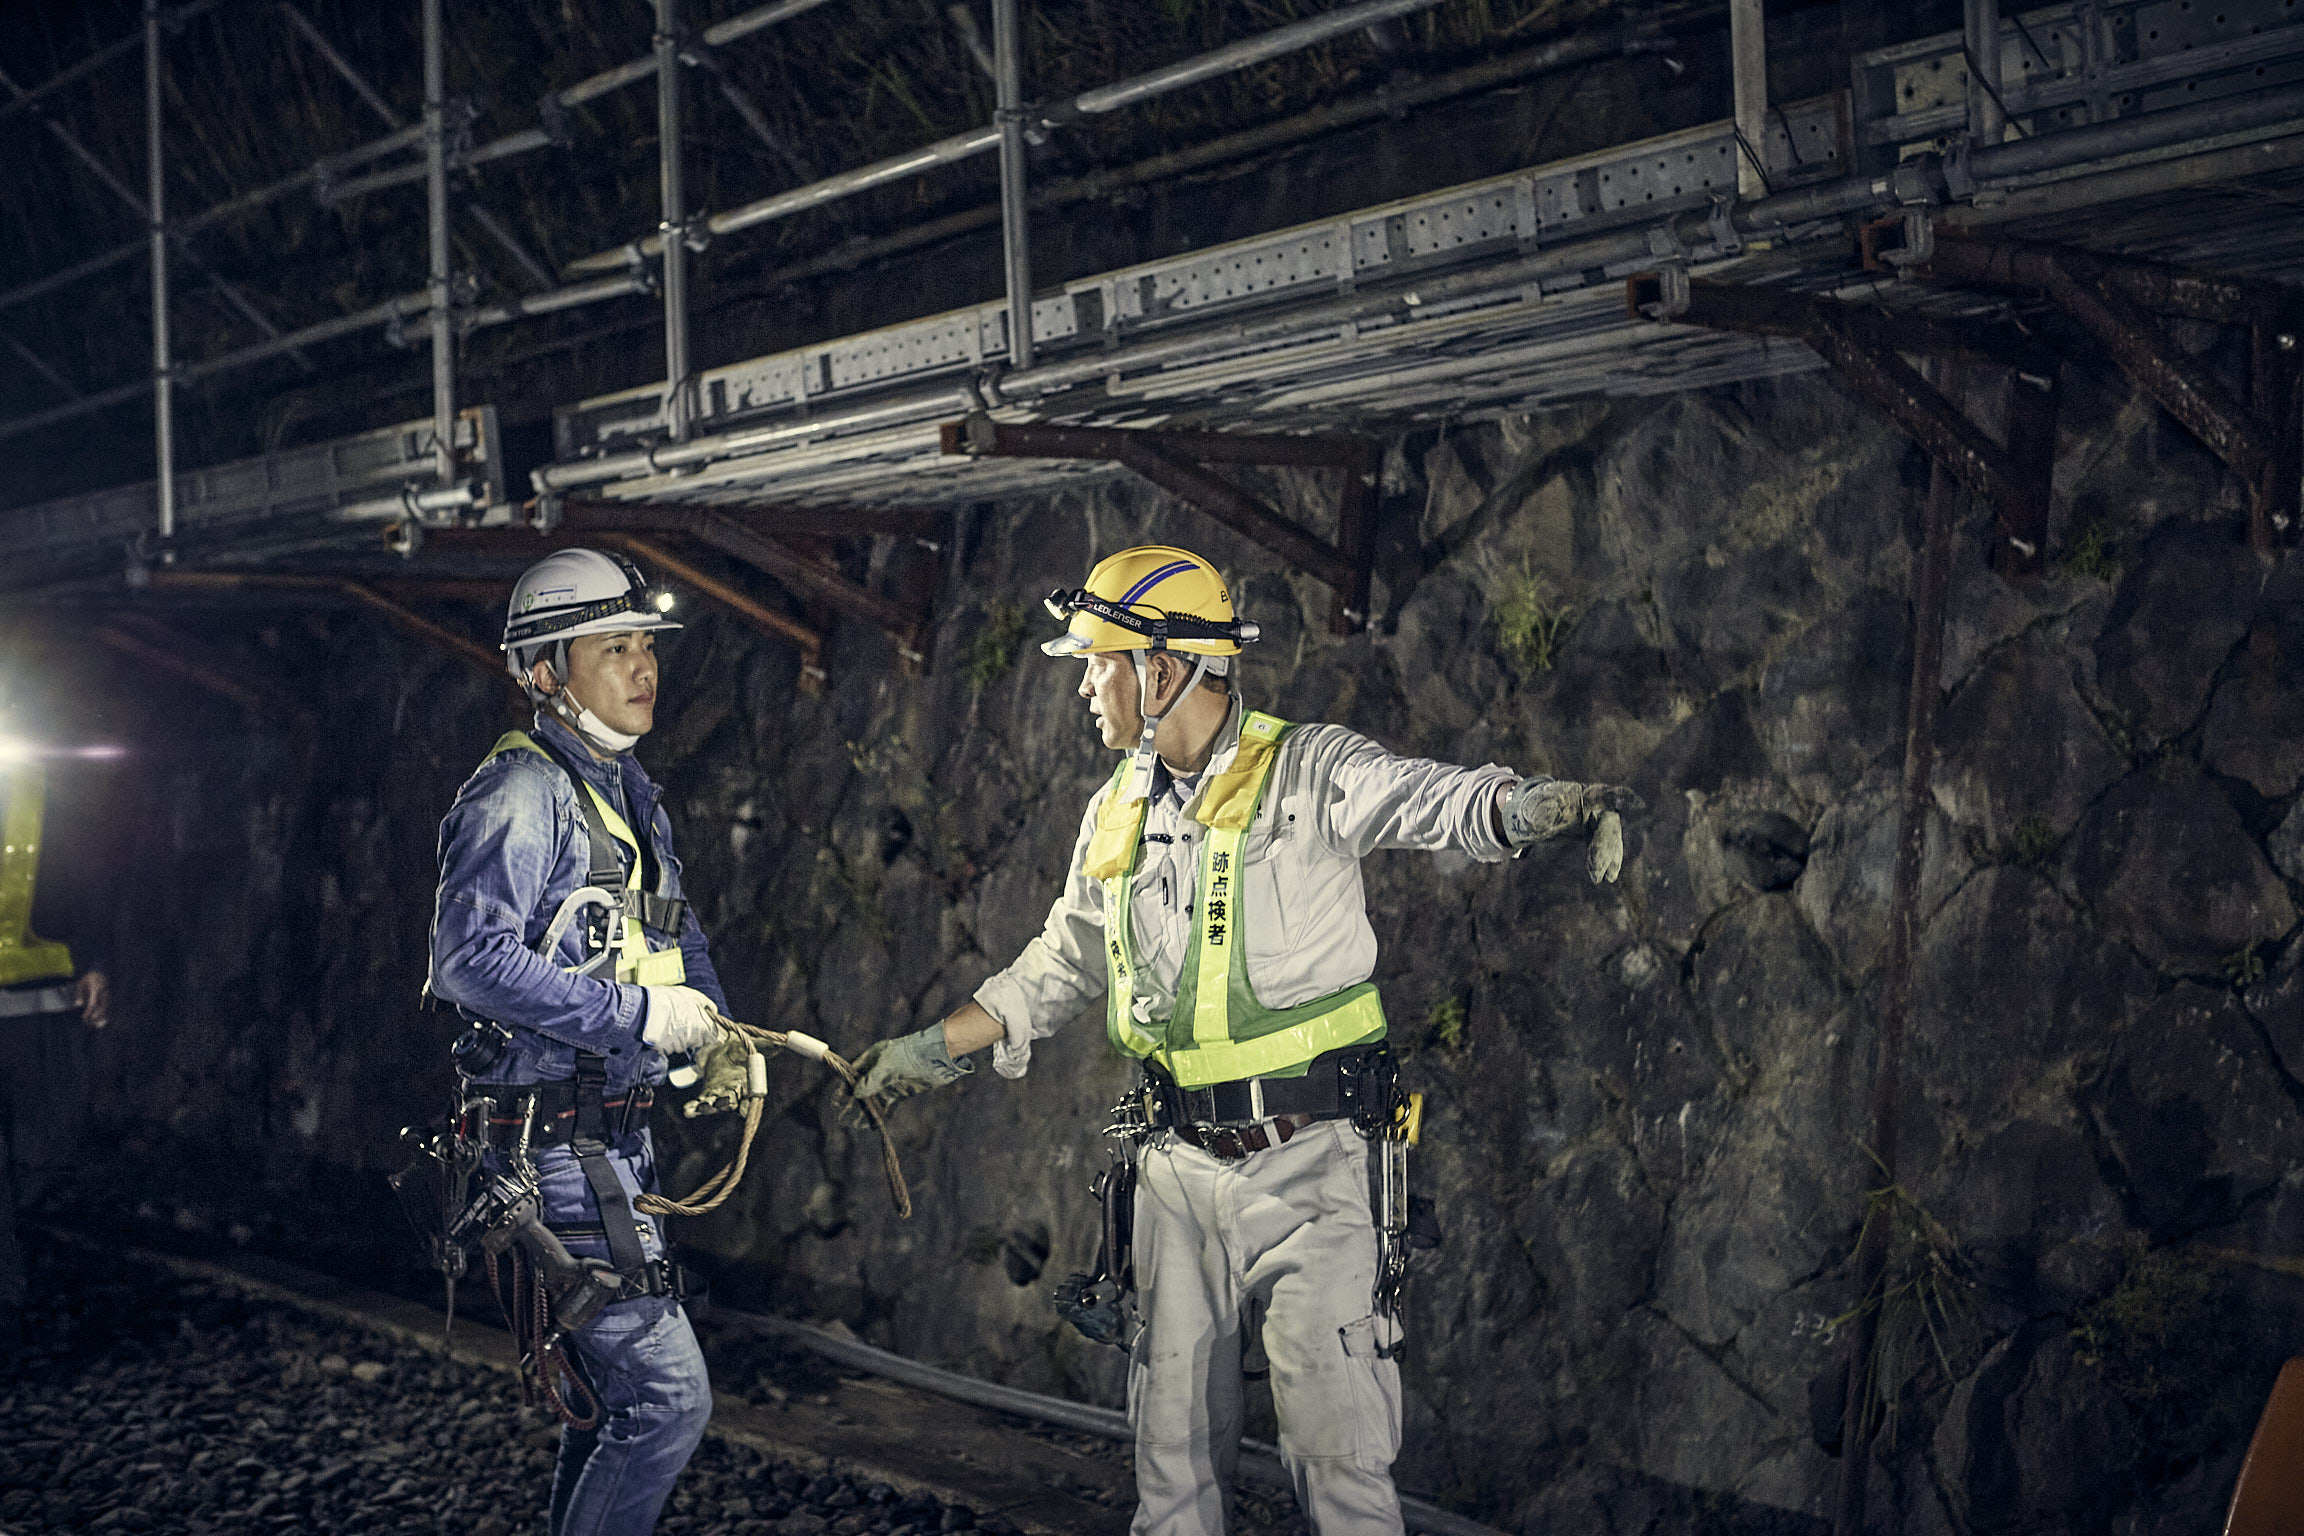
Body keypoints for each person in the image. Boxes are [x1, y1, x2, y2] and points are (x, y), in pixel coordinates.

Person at [851, 544, 1639, 1536]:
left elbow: (1426, 798)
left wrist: (1531, 809)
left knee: (1336, 1458)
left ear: (1163, 668)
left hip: (1315, 1166)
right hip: (1172, 1168)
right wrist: (935, 1045)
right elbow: (1063, 960)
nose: (1086, 686)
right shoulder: (1117, 810)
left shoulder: (1311, 772)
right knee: (1171, 1461)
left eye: (1100, 662)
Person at [428, 548, 728, 1536]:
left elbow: (670, 934)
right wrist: (644, 1019)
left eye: (647, 645)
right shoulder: (523, 791)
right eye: (614, 648)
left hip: (609, 1144)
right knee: (667, 1400)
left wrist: (715, 1037)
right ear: (546, 672)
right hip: (553, 1150)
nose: (644, 667)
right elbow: (469, 959)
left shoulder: (628, 793)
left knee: (608, 1408)